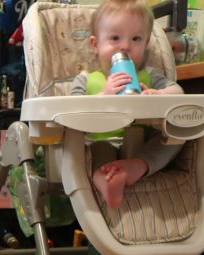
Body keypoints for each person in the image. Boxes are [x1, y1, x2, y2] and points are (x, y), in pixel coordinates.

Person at [70, 0, 185, 209]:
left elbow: (178, 92)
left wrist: (159, 94)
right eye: (115, 38)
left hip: (142, 144)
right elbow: (71, 110)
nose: (125, 46)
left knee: (177, 136)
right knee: (98, 150)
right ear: (96, 45)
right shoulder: (87, 79)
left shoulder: (149, 75)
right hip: (102, 141)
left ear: (146, 43)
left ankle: (136, 167)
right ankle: (103, 179)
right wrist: (103, 95)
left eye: (136, 39)